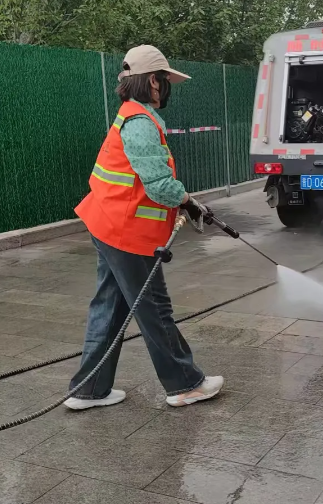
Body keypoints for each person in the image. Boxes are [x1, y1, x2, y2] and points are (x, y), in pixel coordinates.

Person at [64, 45, 223, 410]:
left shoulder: (130, 115)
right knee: (154, 308)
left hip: (108, 224)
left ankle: (89, 390)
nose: (167, 89)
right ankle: (185, 384)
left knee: (110, 307)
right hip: (126, 233)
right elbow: (159, 185)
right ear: (153, 81)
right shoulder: (140, 123)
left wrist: (186, 201)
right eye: (165, 81)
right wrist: (187, 200)